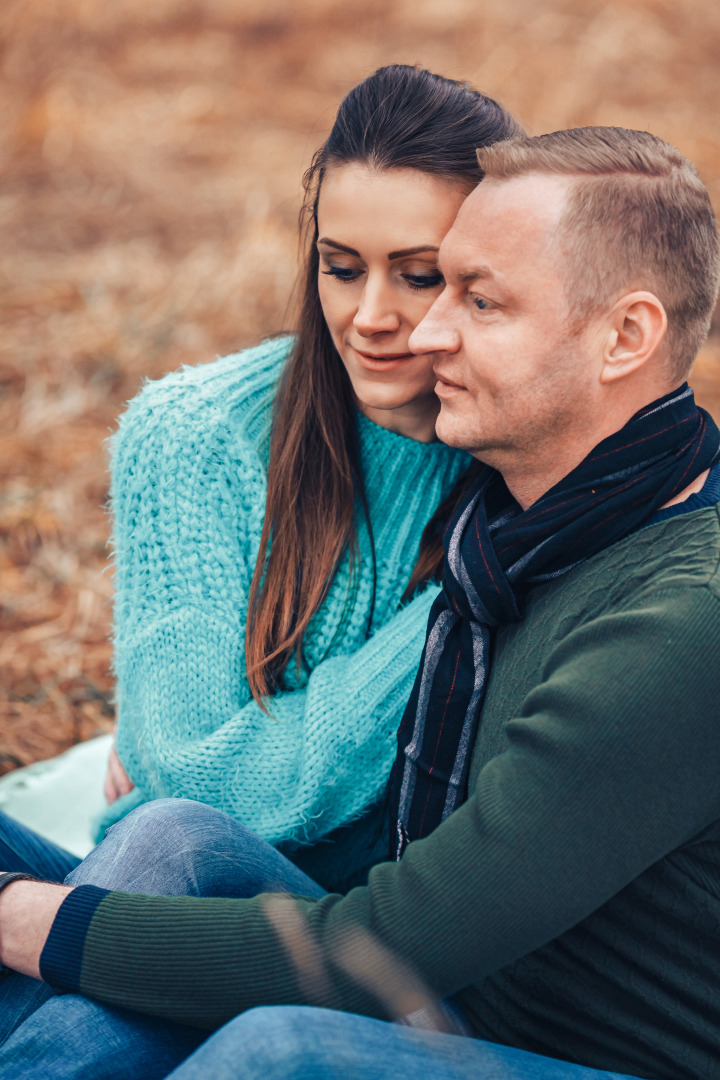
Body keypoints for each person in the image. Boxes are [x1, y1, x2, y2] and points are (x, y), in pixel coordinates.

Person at [2, 124, 720, 1080]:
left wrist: (33, 919)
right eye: (443, 283)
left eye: (477, 299)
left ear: (625, 336)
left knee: (280, 1052)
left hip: (579, 1048)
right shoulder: (518, 527)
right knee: (170, 835)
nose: (424, 335)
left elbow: (388, 944)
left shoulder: (679, 622)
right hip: (459, 995)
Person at [0, 64, 521, 878]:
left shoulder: (536, 462)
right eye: (341, 268)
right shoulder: (197, 434)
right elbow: (192, 780)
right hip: (170, 882)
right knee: (171, 842)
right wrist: (458, 612)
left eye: (418, 276)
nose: (369, 317)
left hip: (364, 926)